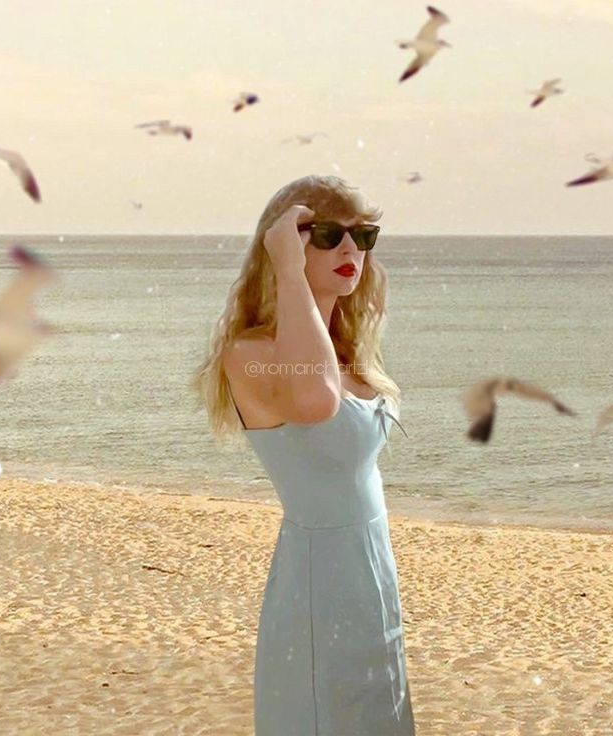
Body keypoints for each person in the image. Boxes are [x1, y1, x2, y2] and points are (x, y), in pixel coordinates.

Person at [192, 174, 415, 735]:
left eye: (363, 237)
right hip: (320, 583)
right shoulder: (253, 353)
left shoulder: (343, 350)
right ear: (284, 243)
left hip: (371, 581)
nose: (350, 250)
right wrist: (289, 270)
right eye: (327, 234)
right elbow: (316, 401)